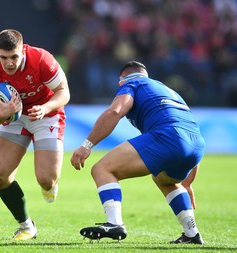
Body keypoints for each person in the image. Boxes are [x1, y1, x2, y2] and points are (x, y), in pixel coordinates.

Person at [70, 60, 205, 244]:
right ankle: (192, 233)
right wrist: (188, 182)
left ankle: (114, 223)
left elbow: (115, 111)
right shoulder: (166, 90)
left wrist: (86, 145)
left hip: (169, 136)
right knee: (164, 180)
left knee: (102, 169)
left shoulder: (132, 84)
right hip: (197, 144)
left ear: (121, 80)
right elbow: (189, 131)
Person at [0, 29, 70, 240]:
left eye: (14, 57)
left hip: (45, 114)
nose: (9, 63)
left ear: (23, 50)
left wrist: (46, 108)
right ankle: (26, 226)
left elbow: (64, 92)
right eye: (4, 58)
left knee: (46, 179)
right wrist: (2, 115)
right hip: (12, 118)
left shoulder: (41, 59)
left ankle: (50, 184)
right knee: (0, 176)